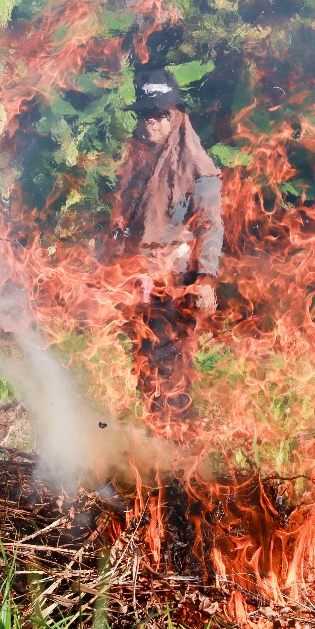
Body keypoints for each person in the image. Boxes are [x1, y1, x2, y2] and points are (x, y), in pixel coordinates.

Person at [110, 67, 223, 429]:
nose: (150, 124)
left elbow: (210, 225)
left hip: (176, 280)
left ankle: (176, 443)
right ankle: (152, 444)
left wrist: (205, 278)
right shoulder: (140, 159)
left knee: (170, 362)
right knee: (143, 360)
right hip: (140, 274)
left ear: (175, 117)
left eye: (159, 116)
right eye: (146, 115)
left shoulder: (197, 167)